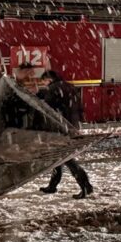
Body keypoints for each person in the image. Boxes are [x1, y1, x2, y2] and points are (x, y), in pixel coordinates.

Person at [37, 70, 94, 199]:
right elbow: (79, 106)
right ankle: (52, 185)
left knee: (66, 158)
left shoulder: (53, 89)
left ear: (49, 79)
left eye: (44, 82)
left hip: (61, 127)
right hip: (72, 125)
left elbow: (47, 108)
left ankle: (86, 186)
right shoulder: (70, 86)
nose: (45, 85)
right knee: (59, 157)